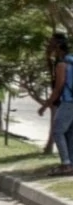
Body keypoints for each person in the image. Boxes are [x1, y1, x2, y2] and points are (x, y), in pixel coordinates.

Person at [42, 33, 73, 174]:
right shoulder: (71, 60)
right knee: (69, 134)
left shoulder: (62, 64)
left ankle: (66, 164)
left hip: (68, 102)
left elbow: (58, 87)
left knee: (58, 131)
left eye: (52, 45)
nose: (50, 47)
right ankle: (70, 164)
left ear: (58, 47)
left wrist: (45, 105)